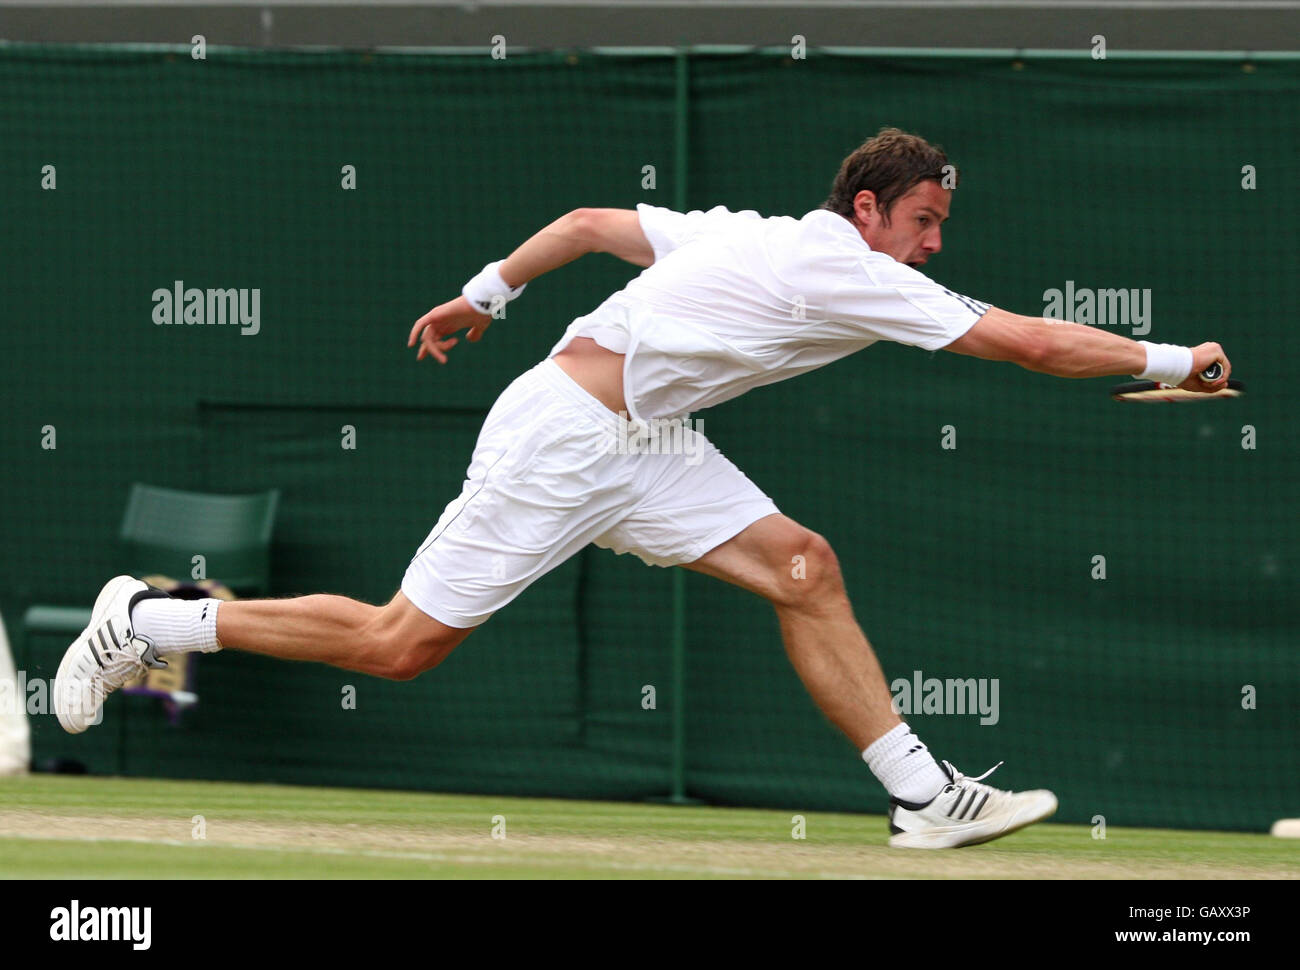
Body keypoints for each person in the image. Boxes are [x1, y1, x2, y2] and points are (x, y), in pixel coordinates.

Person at [54, 127, 1230, 848]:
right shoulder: (838, 262)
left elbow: (582, 223)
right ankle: (146, 618)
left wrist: (484, 293)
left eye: (937, 228)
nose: (930, 246)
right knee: (396, 646)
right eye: (920, 222)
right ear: (865, 209)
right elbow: (1024, 344)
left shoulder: (742, 231)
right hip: (563, 440)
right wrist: (1176, 360)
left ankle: (921, 796)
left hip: (650, 442)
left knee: (803, 563)